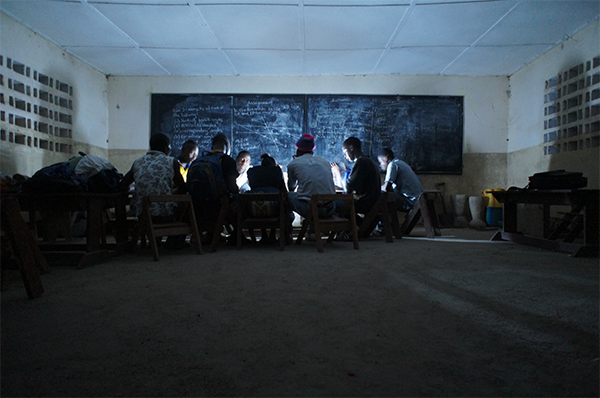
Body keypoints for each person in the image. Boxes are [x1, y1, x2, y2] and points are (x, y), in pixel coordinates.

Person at [119, 133, 184, 220]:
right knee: (185, 208)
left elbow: (123, 184)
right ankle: (177, 232)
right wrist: (171, 193)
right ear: (166, 148)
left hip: (141, 213)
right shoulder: (171, 161)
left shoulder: (138, 162)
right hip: (165, 213)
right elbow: (182, 187)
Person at [287, 133, 336, 219]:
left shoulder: (294, 164)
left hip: (310, 210)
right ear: (312, 152)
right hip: (330, 208)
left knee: (287, 196)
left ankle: (288, 228)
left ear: (297, 152)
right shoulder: (324, 162)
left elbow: (291, 186)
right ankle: (313, 229)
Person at [247, 153, 293, 243]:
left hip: (253, 209)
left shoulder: (252, 172)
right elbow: (284, 190)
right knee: (279, 204)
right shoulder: (276, 171)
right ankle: (273, 235)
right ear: (274, 165)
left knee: (260, 200)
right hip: (274, 209)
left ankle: (264, 235)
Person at [332, 136, 380, 216]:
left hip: (365, 203)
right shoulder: (369, 161)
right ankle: (357, 225)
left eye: (345, 152)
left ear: (351, 148)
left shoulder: (361, 162)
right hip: (372, 203)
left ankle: (355, 225)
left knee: (332, 204)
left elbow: (349, 187)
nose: (344, 155)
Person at [377, 148, 423, 212]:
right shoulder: (400, 163)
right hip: (419, 200)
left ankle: (381, 221)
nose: (380, 165)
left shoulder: (392, 165)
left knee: (380, 197)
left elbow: (386, 188)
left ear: (385, 158)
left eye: (380, 162)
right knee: (388, 196)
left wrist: (377, 189)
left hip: (411, 202)